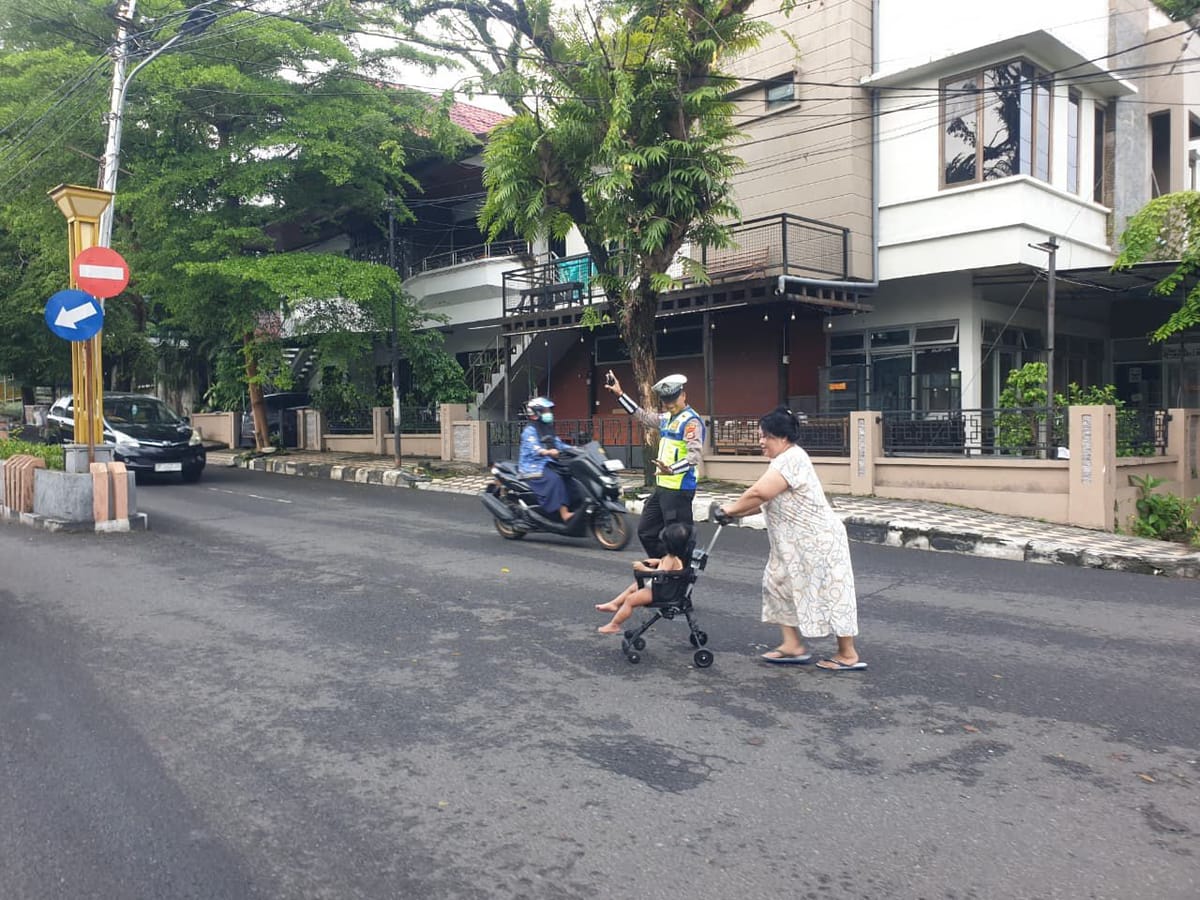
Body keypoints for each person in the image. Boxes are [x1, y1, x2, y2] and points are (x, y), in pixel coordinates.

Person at [715, 406, 866, 672]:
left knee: (831, 592)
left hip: (819, 542)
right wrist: (733, 513)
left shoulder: (792, 458)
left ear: (782, 438)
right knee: (777, 583)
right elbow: (762, 502)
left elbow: (760, 492)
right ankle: (792, 645)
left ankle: (847, 654)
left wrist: (729, 508)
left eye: (765, 436)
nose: (761, 442)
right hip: (794, 546)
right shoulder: (781, 462)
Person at [604, 370, 705, 558]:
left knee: (679, 540)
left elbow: (694, 457)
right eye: (666, 401)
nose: (670, 405)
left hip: (679, 490)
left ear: (683, 396)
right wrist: (620, 394)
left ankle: (679, 575)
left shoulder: (691, 422)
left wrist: (671, 469)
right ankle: (665, 567)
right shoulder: (666, 418)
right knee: (646, 532)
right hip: (662, 488)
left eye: (674, 400)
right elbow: (642, 416)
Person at [594, 522, 692, 634]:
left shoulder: (671, 559)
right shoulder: (672, 557)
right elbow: (667, 568)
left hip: (661, 592)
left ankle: (614, 625)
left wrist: (644, 569)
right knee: (634, 587)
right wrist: (658, 561)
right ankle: (614, 604)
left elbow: (661, 573)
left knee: (630, 600)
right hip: (661, 587)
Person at [518, 396, 574, 522]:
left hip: (548, 463)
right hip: (533, 466)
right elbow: (535, 449)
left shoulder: (547, 427)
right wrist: (547, 451)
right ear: (537, 412)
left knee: (570, 475)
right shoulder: (529, 430)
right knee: (555, 479)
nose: (549, 413)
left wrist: (577, 449)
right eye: (546, 410)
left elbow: (558, 444)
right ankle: (564, 513)